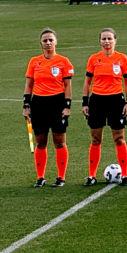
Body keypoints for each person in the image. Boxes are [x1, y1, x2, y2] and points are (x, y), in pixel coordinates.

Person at [82, 28, 127, 185]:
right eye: (103, 39)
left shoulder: (122, 58)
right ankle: (91, 176)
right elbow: (87, 82)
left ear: (115, 40)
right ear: (100, 41)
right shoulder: (93, 59)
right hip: (97, 101)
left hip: (116, 101)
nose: (106, 41)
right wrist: (85, 102)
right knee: (95, 139)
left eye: (109, 38)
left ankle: (124, 175)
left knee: (119, 139)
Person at [24, 28, 73, 187]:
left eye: (50, 40)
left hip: (57, 103)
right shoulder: (34, 61)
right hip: (38, 104)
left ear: (56, 41)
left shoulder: (63, 61)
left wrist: (67, 106)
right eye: (45, 40)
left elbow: (67, 86)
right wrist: (26, 105)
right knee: (40, 142)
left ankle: (61, 177)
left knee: (59, 141)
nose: (48, 43)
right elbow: (29, 85)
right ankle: (40, 177)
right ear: (41, 43)